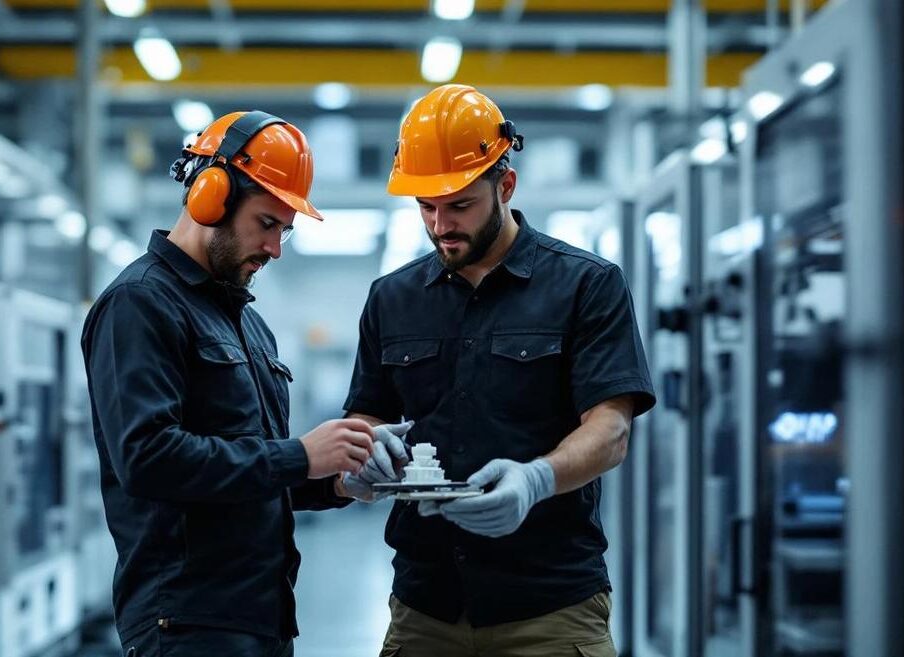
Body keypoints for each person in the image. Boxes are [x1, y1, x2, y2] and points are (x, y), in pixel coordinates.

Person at [343, 85, 657, 657]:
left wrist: (535, 480)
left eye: (459, 205)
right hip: (424, 607)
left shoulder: (587, 284)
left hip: (550, 611)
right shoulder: (391, 299)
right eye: (425, 207)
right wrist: (359, 461)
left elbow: (611, 430)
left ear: (505, 186)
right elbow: (364, 418)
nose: (440, 225)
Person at [81, 110, 407, 657]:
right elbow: (147, 457)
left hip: (260, 617)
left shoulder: (245, 322)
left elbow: (250, 469)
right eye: (267, 223)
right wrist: (300, 456)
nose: (276, 248)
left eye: (285, 230)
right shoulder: (139, 304)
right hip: (185, 624)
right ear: (211, 196)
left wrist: (338, 481)